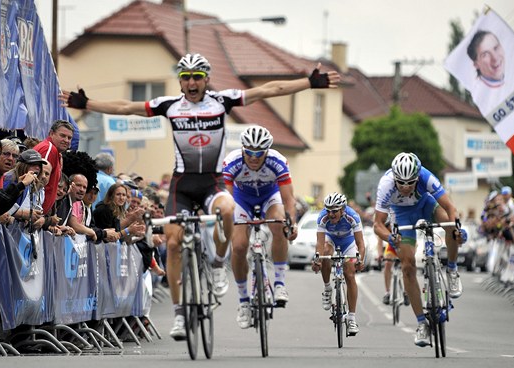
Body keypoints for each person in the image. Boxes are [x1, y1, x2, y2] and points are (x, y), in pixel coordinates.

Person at [60, 52, 340, 340]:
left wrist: (308, 83)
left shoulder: (222, 101)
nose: (192, 82)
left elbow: (269, 89)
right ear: (181, 82)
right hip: (183, 184)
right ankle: (181, 315)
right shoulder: (169, 106)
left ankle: (219, 264)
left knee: (229, 209)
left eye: (197, 77)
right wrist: (88, 104)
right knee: (172, 241)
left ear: (206, 80)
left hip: (213, 182)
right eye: (186, 78)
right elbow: (127, 106)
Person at [373, 152, 467, 347]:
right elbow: (377, 225)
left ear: (417, 177)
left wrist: (456, 227)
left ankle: (451, 269)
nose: (406, 187)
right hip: (402, 215)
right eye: (401, 183)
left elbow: (450, 207)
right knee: (407, 266)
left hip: (426, 204)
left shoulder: (426, 176)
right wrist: (389, 237)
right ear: (395, 179)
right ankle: (422, 323)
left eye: (410, 182)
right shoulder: (386, 185)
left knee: (449, 226)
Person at [222, 126, 298, 328]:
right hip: (241, 200)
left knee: (280, 224)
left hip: (269, 197)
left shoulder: (278, 161)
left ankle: (280, 284)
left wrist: (293, 223)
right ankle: (244, 302)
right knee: (238, 247)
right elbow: (226, 200)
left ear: (267, 152)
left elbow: (288, 199)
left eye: (259, 153)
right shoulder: (231, 162)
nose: (254, 157)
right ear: (243, 149)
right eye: (249, 152)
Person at [311, 192, 366, 336]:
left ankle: (352, 318)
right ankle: (328, 288)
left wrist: (361, 260)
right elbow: (320, 243)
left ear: (343, 209)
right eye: (328, 210)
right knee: (326, 253)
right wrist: (317, 259)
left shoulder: (352, 216)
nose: (331, 214)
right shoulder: (322, 217)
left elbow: (360, 242)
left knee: (349, 274)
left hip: (348, 242)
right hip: (331, 239)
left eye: (335, 211)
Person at [0, 134, 37, 226]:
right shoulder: (4, 176)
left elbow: (0, 206)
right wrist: (22, 184)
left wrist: (20, 187)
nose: (10, 158)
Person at [34, 120, 75, 213]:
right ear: (51, 133)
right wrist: (41, 216)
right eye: (62, 136)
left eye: (69, 138)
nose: (66, 140)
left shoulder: (56, 153)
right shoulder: (49, 149)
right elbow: (39, 183)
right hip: (35, 214)